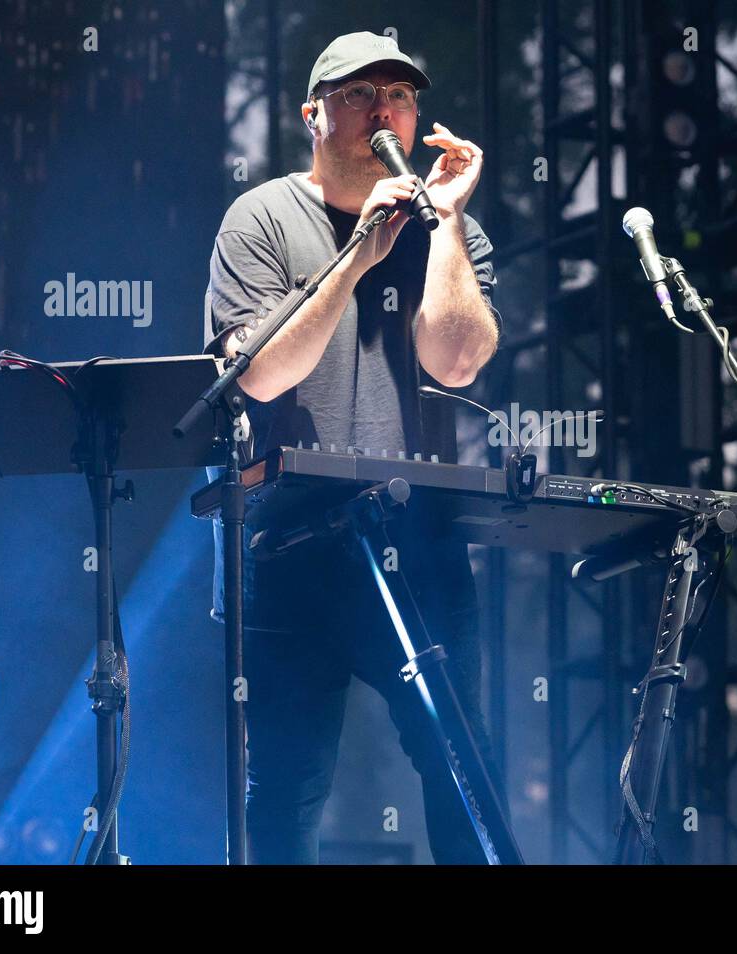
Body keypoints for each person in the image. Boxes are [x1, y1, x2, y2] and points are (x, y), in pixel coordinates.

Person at [202, 31, 504, 864]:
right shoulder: (261, 218)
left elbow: (459, 355)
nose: (385, 111)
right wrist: (360, 251)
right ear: (313, 115)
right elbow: (261, 375)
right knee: (286, 792)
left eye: (400, 97)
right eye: (360, 94)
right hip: (288, 544)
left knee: (462, 772)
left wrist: (444, 225)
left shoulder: (452, 236)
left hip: (418, 542)